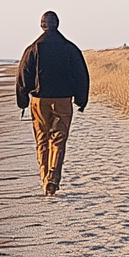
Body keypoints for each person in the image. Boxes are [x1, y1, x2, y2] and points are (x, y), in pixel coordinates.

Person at [15, 10, 89, 197]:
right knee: (59, 139)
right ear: (57, 24)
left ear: (42, 25)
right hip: (64, 100)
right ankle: (53, 178)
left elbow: (23, 76)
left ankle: (44, 179)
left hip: (39, 101)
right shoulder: (70, 48)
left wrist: (22, 100)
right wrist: (81, 99)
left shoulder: (33, 48)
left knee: (42, 140)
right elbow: (82, 76)